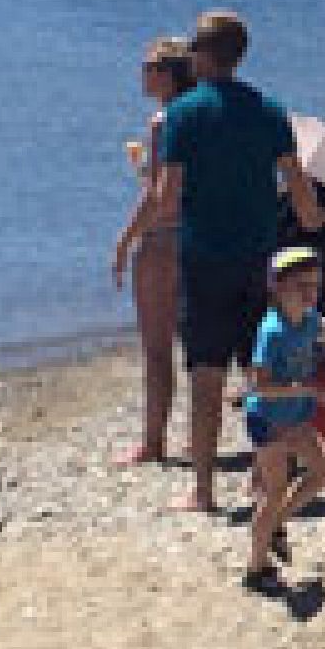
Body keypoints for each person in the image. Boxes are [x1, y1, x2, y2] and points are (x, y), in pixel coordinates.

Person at [127, 11, 325, 513]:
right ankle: (263, 480)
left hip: (204, 257)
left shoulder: (184, 114)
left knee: (206, 375)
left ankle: (202, 490)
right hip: (259, 260)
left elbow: (169, 197)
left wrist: (149, 190)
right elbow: (296, 181)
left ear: (199, 53)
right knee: (259, 371)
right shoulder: (270, 109)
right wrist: (311, 217)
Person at [111, 38, 195, 466]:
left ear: (165, 73)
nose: (141, 73)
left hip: (163, 240)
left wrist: (125, 241)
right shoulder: (200, 114)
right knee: (198, 345)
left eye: (147, 66)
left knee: (157, 347)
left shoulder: (166, 120)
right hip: (199, 237)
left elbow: (160, 197)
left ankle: (153, 441)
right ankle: (198, 436)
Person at [242, 247, 325, 595]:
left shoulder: (311, 321)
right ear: (279, 288)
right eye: (302, 287)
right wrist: (308, 390)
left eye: (315, 286)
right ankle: (255, 568)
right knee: (274, 489)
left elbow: (318, 346)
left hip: (296, 416)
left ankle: (278, 523)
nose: (311, 294)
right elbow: (260, 387)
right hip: (267, 419)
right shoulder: (272, 331)